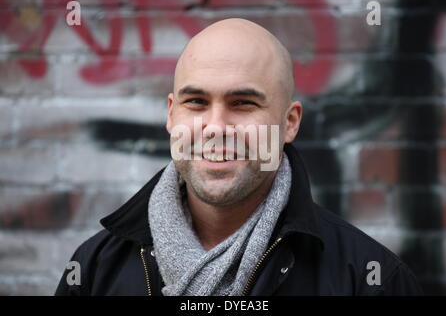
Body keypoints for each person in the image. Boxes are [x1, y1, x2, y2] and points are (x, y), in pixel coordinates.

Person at [55, 18, 423, 296]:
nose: (216, 126)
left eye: (243, 103)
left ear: (290, 122)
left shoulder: (368, 280)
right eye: (196, 102)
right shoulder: (94, 271)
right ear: (171, 115)